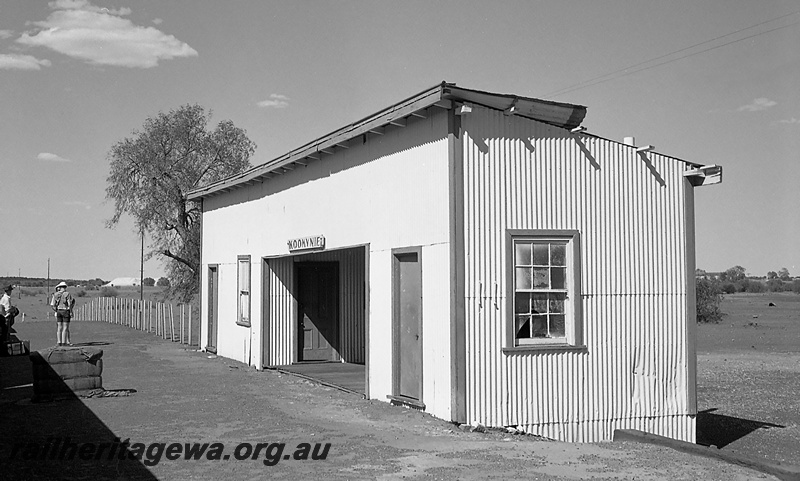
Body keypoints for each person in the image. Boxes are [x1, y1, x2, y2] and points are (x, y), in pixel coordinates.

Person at [51, 282, 75, 346]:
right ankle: (64, 342)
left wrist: (56, 310)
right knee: (65, 327)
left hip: (59, 310)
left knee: (59, 327)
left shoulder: (56, 295)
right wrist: (71, 311)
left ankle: (59, 342)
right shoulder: (67, 294)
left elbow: (53, 305)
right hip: (65, 310)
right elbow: (69, 304)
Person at [0, 284, 15, 349]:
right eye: (10, 291)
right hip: (7, 316)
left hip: (3, 315)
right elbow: (8, 309)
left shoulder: (3, 297)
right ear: (8, 291)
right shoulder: (7, 299)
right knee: (6, 331)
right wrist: (13, 310)